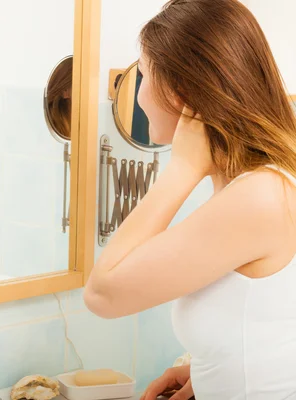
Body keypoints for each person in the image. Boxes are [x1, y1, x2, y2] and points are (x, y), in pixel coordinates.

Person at [83, 0, 296, 399]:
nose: (139, 95)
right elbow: (277, 322)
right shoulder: (270, 181)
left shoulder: (260, 195)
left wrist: (181, 168)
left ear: (182, 92)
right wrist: (211, 371)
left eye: (143, 74)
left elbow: (102, 295)